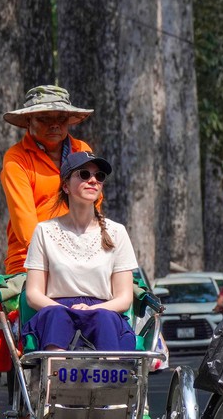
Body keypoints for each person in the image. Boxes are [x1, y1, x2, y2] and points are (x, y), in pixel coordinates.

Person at [22, 151, 138, 353]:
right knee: (57, 317)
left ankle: (110, 380)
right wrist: (68, 311)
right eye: (84, 174)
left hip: (104, 311)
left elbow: (124, 297)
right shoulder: (44, 231)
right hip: (56, 309)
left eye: (99, 176)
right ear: (66, 185)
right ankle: (56, 380)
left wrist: (91, 311)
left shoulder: (117, 232)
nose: (93, 180)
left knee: (104, 319)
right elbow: (33, 293)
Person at [1, 85, 95, 275]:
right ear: (29, 120)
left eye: (61, 117)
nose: (54, 124)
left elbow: (94, 207)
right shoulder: (17, 158)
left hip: (82, 258)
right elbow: (26, 228)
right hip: (30, 262)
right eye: (44, 118)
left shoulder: (82, 150)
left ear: (69, 120)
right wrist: (62, 260)